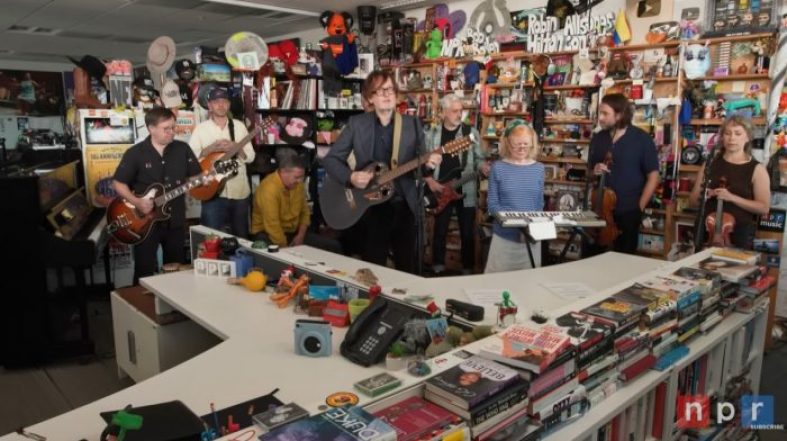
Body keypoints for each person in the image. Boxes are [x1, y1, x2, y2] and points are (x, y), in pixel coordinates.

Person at [322, 70, 442, 274]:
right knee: (373, 269)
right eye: (380, 90)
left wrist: (429, 165)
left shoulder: (412, 124)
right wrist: (351, 176)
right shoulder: (357, 124)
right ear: (370, 97)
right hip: (370, 206)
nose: (387, 94)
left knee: (407, 268)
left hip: (404, 206)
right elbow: (331, 160)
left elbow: (419, 169)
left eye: (390, 89)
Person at [113, 107, 202, 283]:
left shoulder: (182, 149)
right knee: (144, 269)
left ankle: (174, 307)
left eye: (173, 127)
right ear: (151, 128)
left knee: (176, 270)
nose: (172, 132)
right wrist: (137, 202)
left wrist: (207, 178)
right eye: (166, 128)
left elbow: (196, 176)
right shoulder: (135, 153)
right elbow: (118, 183)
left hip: (175, 220)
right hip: (145, 224)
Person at [424, 94, 489, 275]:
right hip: (441, 190)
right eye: (454, 111)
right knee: (439, 232)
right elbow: (424, 161)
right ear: (444, 112)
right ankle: (438, 267)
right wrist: (429, 181)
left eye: (461, 111)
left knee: (467, 233)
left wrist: (483, 166)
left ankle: (467, 268)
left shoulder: (471, 132)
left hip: (465, 190)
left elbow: (478, 159)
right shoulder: (433, 133)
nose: (459, 114)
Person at [589, 93, 660, 254]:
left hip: (628, 213)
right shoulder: (598, 138)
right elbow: (589, 173)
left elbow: (653, 176)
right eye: (600, 113)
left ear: (619, 115)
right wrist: (594, 171)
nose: (600, 118)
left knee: (623, 261)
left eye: (605, 113)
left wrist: (639, 208)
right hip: (599, 212)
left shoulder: (642, 139)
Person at [689, 116, 770, 249]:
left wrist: (731, 198)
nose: (732, 138)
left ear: (748, 137)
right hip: (706, 233)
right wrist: (705, 195)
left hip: (737, 235)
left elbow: (763, 208)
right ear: (722, 137)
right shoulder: (709, 164)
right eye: (727, 133)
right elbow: (691, 202)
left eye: (738, 133)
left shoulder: (757, 169)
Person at [189, 87, 255, 237]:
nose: (221, 105)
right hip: (212, 193)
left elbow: (250, 157)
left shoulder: (239, 126)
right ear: (210, 105)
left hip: (239, 192)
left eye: (224, 101)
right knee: (212, 238)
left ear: (229, 104)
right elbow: (191, 160)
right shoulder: (200, 129)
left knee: (241, 238)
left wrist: (237, 148)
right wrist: (210, 148)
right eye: (216, 101)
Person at [251, 149, 341, 252]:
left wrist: (300, 236)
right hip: (267, 234)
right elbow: (272, 226)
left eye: (302, 177)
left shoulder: (297, 185)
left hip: (292, 233)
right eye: (297, 177)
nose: (299, 181)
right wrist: (288, 251)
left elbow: (305, 213)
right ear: (283, 172)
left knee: (333, 246)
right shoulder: (268, 189)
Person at [485, 120, 545, 273]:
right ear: (507, 144)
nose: (521, 148)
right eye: (516, 144)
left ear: (532, 143)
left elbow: (539, 204)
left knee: (529, 285)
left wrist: (530, 229)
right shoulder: (498, 168)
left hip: (531, 239)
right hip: (504, 239)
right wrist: (517, 225)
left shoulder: (538, 169)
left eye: (525, 144)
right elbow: (492, 205)